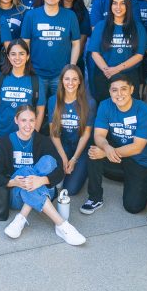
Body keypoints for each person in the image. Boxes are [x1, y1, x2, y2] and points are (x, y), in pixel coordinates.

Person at [0, 105, 86, 245]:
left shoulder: (43, 140)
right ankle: (61, 224)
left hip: (40, 187)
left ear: (36, 121)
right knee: (25, 171)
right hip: (16, 194)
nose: (28, 125)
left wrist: (42, 180)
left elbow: (59, 171)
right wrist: (14, 182)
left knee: (48, 161)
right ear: (16, 120)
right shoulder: (6, 142)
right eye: (24, 120)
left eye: (31, 120)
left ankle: (21, 218)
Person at [83, 73, 147, 215]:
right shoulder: (105, 105)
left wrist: (106, 152)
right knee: (94, 149)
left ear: (131, 89)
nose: (119, 94)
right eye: (114, 90)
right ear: (110, 91)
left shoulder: (144, 110)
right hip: (117, 156)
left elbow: (137, 147)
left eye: (123, 89)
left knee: (133, 207)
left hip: (139, 160)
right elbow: (99, 135)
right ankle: (95, 197)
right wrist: (105, 147)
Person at [21, 0, 81, 98]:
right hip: (36, 72)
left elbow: (75, 43)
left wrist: (71, 67)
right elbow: (25, 43)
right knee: (37, 107)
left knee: (58, 109)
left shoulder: (70, 16)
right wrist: (27, 67)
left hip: (61, 74)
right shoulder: (31, 15)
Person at [87, 0, 146, 104]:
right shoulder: (101, 26)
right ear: (110, 6)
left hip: (129, 76)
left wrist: (117, 69)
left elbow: (139, 56)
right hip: (105, 75)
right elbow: (94, 53)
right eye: (114, 3)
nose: (118, 7)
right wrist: (108, 70)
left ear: (128, 5)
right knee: (105, 109)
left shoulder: (138, 27)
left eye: (122, 3)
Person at [46, 65, 95, 196]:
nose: (70, 83)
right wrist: (63, 157)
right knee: (54, 181)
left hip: (82, 148)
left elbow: (86, 135)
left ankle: (83, 170)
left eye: (74, 79)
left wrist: (73, 159)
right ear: (62, 81)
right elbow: (54, 133)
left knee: (71, 189)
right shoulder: (53, 101)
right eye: (67, 79)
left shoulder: (89, 103)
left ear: (80, 81)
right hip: (63, 145)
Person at [0, 39, 45, 146]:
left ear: (28, 56)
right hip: (2, 135)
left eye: (21, 54)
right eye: (13, 54)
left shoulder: (36, 81)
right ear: (8, 57)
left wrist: (33, 136)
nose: (17, 58)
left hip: (26, 136)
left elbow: (40, 111)